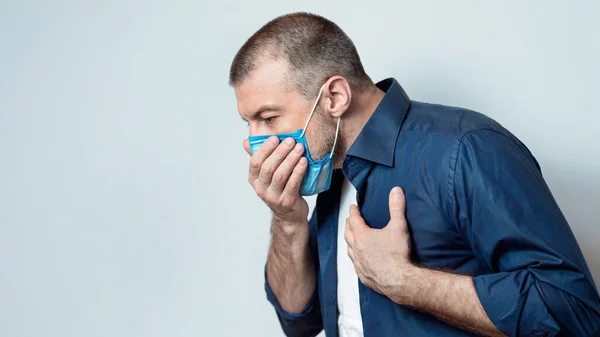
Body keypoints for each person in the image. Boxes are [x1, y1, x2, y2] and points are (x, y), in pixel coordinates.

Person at [228, 12, 600, 337]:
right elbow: (298, 323)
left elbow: (573, 311)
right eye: (248, 124)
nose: (254, 142)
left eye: (268, 118)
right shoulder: (327, 172)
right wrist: (288, 220)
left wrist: (405, 282)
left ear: (335, 98)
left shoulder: (464, 149)